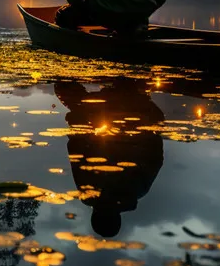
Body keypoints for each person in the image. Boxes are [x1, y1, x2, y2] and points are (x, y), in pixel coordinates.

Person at [54, 79, 165, 238]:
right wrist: (79, 124)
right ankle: (125, 90)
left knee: (71, 96)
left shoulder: (139, 190)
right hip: (122, 111)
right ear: (95, 215)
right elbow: (75, 149)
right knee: (62, 87)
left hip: (140, 112)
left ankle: (130, 90)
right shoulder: (89, 189)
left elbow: (157, 156)